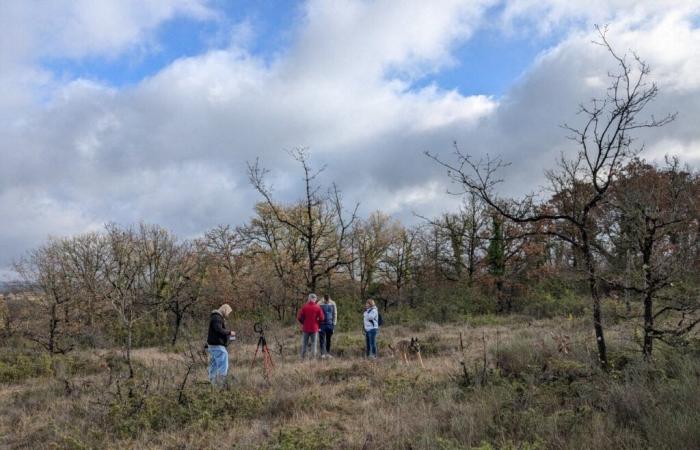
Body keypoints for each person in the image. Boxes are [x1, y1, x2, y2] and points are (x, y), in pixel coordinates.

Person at [206, 303, 236, 385]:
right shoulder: (217, 318)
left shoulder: (215, 317)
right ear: (225, 310)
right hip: (217, 346)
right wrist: (229, 332)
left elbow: (215, 331)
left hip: (213, 346)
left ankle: (213, 384)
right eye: (228, 312)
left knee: (214, 365)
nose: (228, 314)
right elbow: (218, 330)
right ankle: (222, 383)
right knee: (223, 363)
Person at [297, 293, 324, 359]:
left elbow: (299, 317)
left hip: (306, 328)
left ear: (309, 299)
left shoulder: (304, 307)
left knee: (304, 343)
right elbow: (322, 318)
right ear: (315, 299)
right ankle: (313, 358)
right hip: (315, 328)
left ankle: (303, 357)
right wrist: (318, 324)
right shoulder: (318, 307)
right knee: (314, 343)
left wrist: (303, 323)